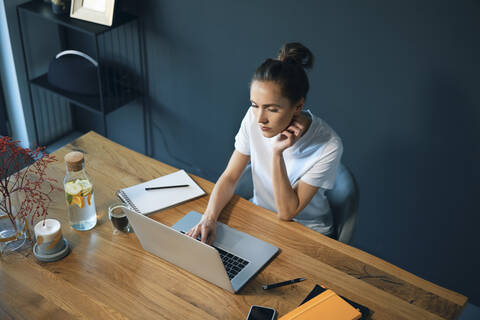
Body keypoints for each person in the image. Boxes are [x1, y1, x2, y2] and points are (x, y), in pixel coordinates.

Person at [187, 42, 343, 244]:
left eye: (272, 109)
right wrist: (208, 218)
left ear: (298, 106)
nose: (260, 118)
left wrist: (277, 154)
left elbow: (287, 212)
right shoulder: (253, 119)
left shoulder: (329, 145)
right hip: (262, 218)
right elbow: (230, 176)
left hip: (308, 233)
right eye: (254, 105)